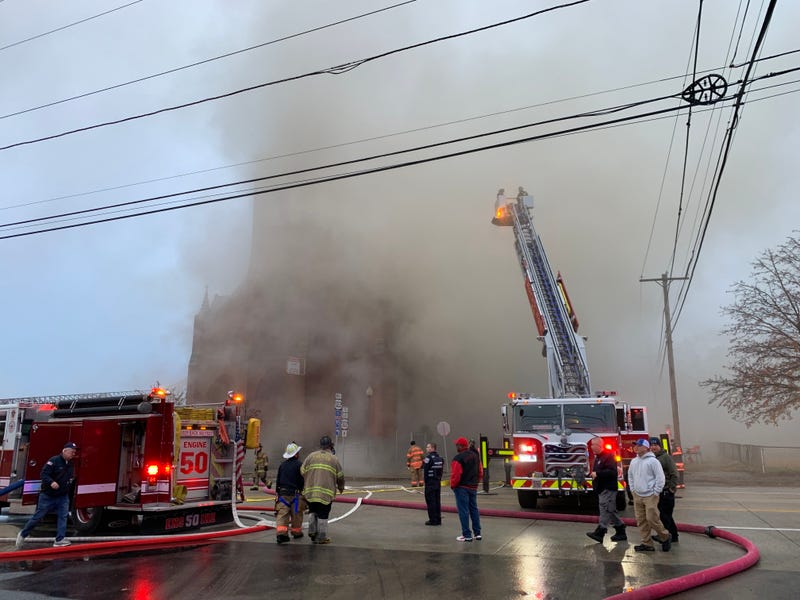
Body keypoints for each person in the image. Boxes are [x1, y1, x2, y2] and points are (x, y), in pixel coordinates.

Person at [16, 442, 78, 550]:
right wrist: (51, 482)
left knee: (63, 516)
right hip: (48, 495)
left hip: (62, 496)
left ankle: (59, 539)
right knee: (38, 517)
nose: (74, 454)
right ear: (65, 451)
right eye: (72, 451)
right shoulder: (54, 461)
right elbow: (43, 474)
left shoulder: (70, 464)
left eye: (75, 452)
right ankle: (23, 534)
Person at [628, 439, 671, 552]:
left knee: (652, 518)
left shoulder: (653, 462)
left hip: (650, 495)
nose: (635, 447)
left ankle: (665, 536)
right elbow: (630, 477)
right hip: (637, 495)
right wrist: (633, 490)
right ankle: (647, 543)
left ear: (646, 448)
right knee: (641, 520)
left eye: (638, 445)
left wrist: (656, 492)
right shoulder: (634, 462)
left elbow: (660, 478)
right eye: (635, 445)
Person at [301, 435, 344, 545]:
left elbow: (302, 471)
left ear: (320, 445)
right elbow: (340, 476)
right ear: (330, 446)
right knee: (323, 515)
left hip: (310, 492)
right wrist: (341, 487)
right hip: (325, 493)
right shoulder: (334, 459)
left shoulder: (311, 456)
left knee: (312, 511)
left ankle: (312, 531)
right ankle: (321, 537)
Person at [586, 437, 627, 543]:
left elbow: (612, 472)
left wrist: (598, 474)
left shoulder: (608, 456)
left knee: (605, 510)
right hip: (601, 489)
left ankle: (600, 532)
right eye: (591, 445)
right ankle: (621, 531)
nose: (591, 447)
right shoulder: (598, 458)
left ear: (599, 445)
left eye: (593, 444)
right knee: (611, 511)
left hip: (607, 489)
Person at [450, 436, 482, 542]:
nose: (455, 446)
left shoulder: (458, 458)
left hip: (462, 488)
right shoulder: (475, 456)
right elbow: (480, 472)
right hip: (473, 487)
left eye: (456, 445)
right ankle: (478, 534)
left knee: (463, 511)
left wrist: (453, 486)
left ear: (460, 446)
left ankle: (467, 535)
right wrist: (476, 483)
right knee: (474, 509)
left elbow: (456, 475)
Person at [274, 442, 305, 544]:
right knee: (296, 514)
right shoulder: (300, 465)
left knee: (282, 514)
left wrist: (277, 493)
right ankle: (296, 533)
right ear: (296, 454)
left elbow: (278, 480)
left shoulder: (282, 465)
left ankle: (281, 535)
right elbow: (302, 480)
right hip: (295, 495)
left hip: (283, 495)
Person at [650, 437, 679, 543]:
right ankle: (674, 536)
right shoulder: (652, 458)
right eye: (651, 445)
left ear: (659, 446)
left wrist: (671, 488)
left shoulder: (665, 458)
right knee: (666, 515)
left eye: (655, 445)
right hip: (658, 492)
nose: (653, 447)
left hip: (666, 491)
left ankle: (664, 537)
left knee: (664, 516)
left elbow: (674, 474)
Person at [422, 442, 444, 525]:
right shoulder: (440, 458)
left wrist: (426, 482)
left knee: (431, 502)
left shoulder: (428, 458)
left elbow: (425, 470)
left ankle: (433, 520)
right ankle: (438, 519)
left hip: (430, 483)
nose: (427, 448)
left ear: (432, 448)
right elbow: (441, 471)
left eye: (428, 447)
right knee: (437, 501)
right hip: (437, 483)